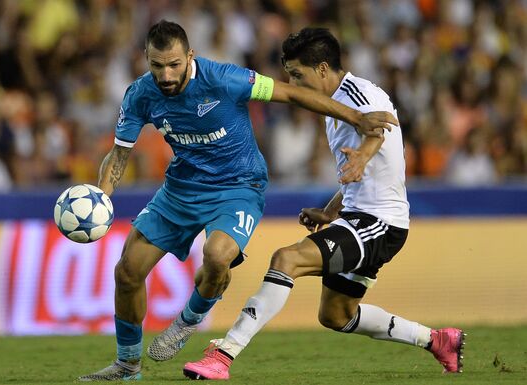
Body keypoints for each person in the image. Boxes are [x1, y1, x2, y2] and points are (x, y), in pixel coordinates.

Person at [78, 20, 398, 381]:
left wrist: (356, 118)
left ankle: (189, 320)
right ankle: (127, 365)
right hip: (181, 189)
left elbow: (291, 94)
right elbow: (119, 154)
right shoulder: (140, 94)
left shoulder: (225, 79)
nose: (165, 75)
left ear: (190, 57)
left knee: (217, 257)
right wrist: (102, 196)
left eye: (174, 65)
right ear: (146, 60)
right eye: (157, 66)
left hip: (238, 186)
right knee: (128, 271)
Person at [183, 27, 465, 381]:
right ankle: (437, 340)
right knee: (336, 315)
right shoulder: (331, 108)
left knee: (287, 259)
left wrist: (362, 155)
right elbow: (360, 170)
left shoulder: (361, 94)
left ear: (321, 69)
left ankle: (224, 355)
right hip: (360, 218)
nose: (293, 83)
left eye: (298, 75)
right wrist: (331, 211)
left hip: (379, 223)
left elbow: (379, 130)